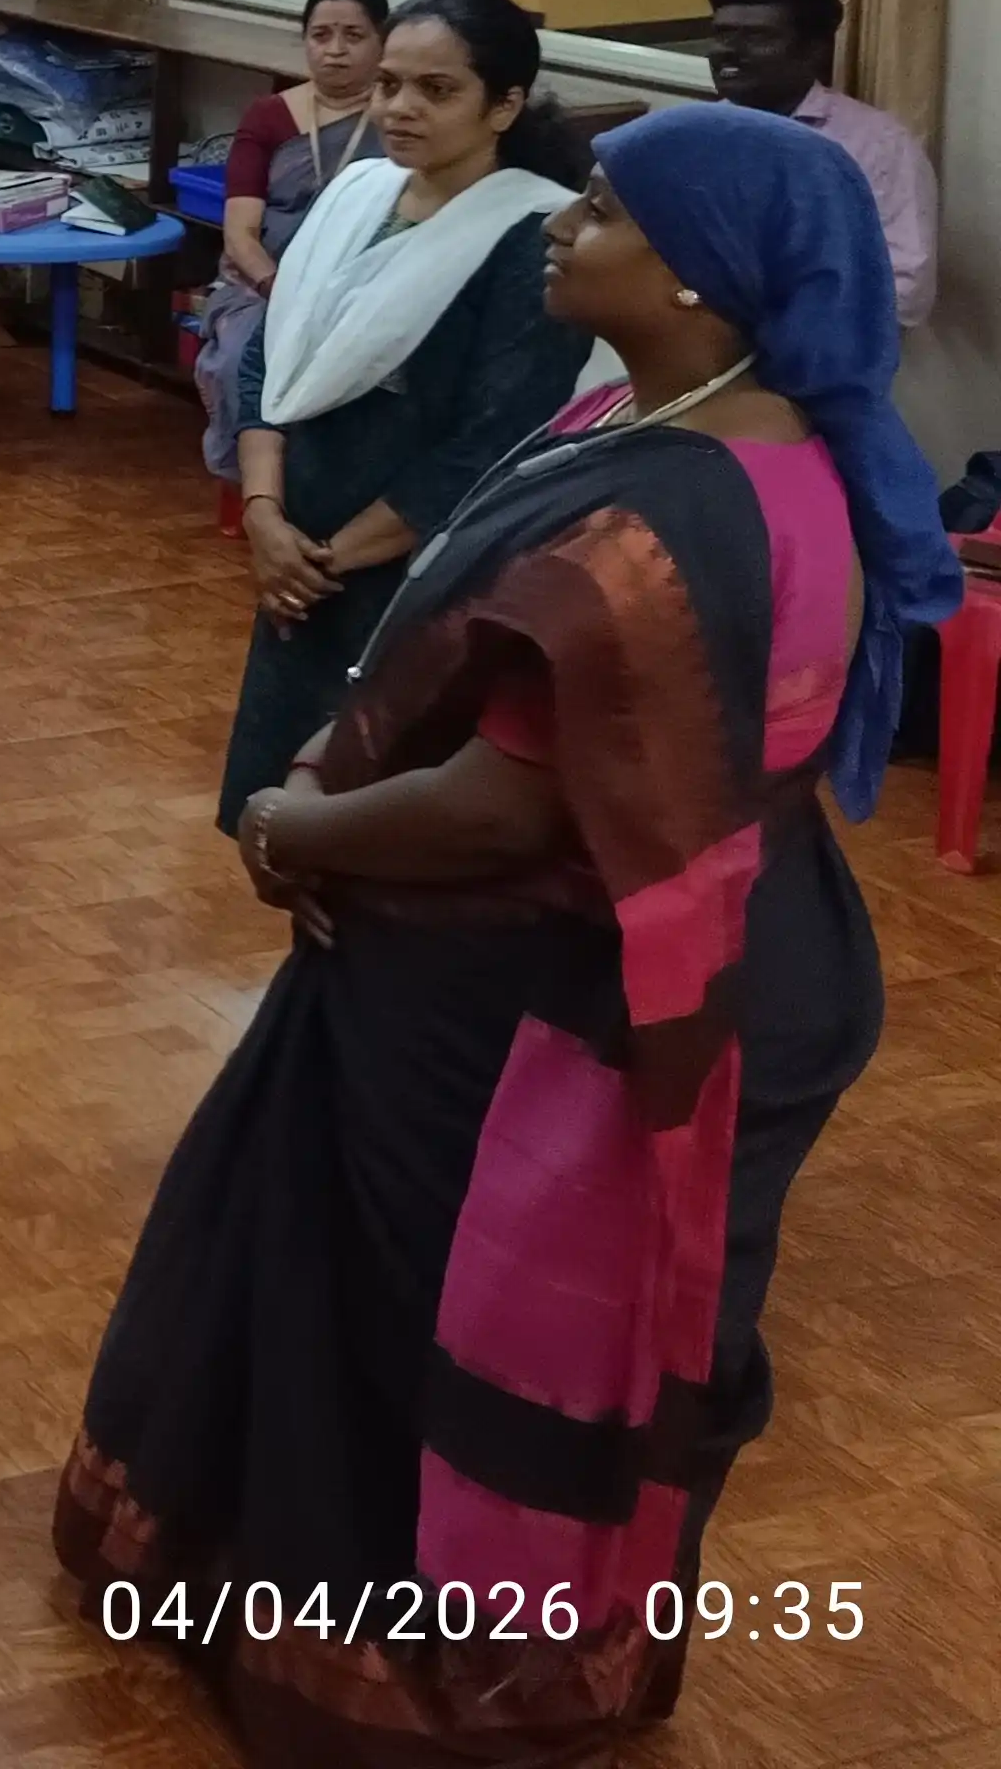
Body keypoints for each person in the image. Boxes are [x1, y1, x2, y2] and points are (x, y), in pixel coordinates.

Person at [61, 106, 956, 1761]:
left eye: (603, 207)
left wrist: (293, 818)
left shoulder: (673, 523)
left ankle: (399, 1671)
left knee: (425, 1320)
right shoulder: (694, 421)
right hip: (587, 946)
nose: (566, 222)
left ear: (699, 279)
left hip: (540, 990)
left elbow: (516, 801)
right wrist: (336, 761)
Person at [219, 0, 597, 827]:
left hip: (418, 570)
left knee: (377, 809)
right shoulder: (357, 194)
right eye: (390, 84)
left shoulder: (530, 236)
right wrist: (263, 515)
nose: (400, 107)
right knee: (283, 809)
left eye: (436, 90)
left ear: (504, 105)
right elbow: (272, 360)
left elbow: (496, 441)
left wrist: (323, 560)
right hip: (296, 553)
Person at [188, 0, 388, 484]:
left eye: (353, 36)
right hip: (263, 286)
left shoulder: (400, 119)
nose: (335, 51)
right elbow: (240, 234)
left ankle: (331, 492)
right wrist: (285, 291)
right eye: (321, 36)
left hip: (367, 284)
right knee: (241, 357)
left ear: (384, 41)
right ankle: (251, 489)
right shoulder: (270, 117)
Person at [705, 0, 937, 330]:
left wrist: (785, 326)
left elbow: (906, 288)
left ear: (812, 52)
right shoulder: (695, 135)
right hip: (692, 350)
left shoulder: (876, 145)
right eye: (722, 34)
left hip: (814, 358)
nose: (729, 52)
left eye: (756, 36)